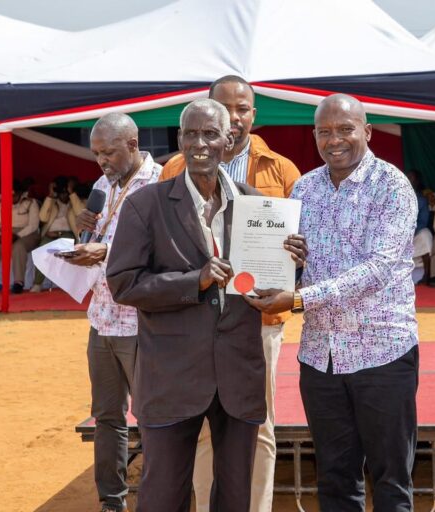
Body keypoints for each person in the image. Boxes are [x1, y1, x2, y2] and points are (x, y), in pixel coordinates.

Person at [106, 99, 306, 512]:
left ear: (228, 139)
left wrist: (291, 264)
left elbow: (270, 285)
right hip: (172, 377)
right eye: (191, 134)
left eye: (210, 134)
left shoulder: (257, 207)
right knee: (163, 496)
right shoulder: (147, 205)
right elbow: (124, 284)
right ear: (179, 140)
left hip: (239, 375)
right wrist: (193, 281)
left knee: (235, 498)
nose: (200, 143)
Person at [246, 94, 419, 511]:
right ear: (315, 136)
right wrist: (287, 263)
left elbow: (380, 267)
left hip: (382, 354)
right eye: (324, 132)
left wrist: (300, 297)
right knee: (335, 478)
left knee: (391, 480)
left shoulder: (392, 186)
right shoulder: (305, 187)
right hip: (320, 358)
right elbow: (299, 263)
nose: (334, 140)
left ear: (367, 132)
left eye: (345, 129)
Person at [159, 75, 301, 512]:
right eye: (225, 107)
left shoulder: (281, 170)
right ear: (207, 110)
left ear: (254, 115)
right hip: (192, 323)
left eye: (243, 108)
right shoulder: (174, 170)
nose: (234, 117)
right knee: (200, 426)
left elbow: (300, 249)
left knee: (256, 426)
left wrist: (296, 256)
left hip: (258, 322)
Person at [68, 113, 162, 512]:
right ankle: (112, 501)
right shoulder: (101, 187)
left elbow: (162, 252)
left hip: (141, 322)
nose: (101, 161)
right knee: (106, 417)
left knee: (152, 417)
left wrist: (104, 251)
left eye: (108, 152)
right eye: (96, 154)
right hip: (101, 319)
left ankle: (159, 497)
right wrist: (83, 233)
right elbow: (94, 241)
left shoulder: (161, 183)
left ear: (133, 144)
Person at [31, 176, 85, 292]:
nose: (63, 195)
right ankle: (37, 283)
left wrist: (72, 194)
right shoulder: (52, 202)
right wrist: (50, 196)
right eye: (61, 193)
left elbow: (81, 213)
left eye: (66, 193)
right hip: (50, 234)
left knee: (66, 249)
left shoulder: (75, 201)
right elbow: (42, 218)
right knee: (42, 250)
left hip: (68, 234)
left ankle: (67, 283)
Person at [0, 180, 40, 294]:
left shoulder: (31, 203)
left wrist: (17, 235)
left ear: (21, 193)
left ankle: (18, 283)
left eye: (15, 195)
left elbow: (33, 225)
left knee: (19, 247)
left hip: (26, 233)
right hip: (2, 233)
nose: (12, 197)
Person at [405, 169, 432, 284]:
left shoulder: (421, 200)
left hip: (414, 233)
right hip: (397, 235)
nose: (408, 180)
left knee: (425, 235)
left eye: (411, 178)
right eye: (407, 177)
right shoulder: (394, 195)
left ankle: (427, 275)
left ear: (417, 181)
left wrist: (411, 232)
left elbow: (423, 221)